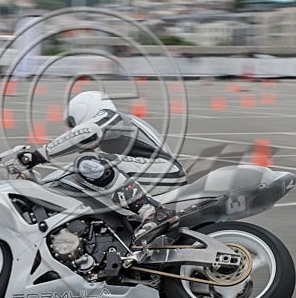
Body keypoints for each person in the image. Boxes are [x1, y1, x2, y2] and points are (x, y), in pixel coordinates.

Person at [19, 91, 186, 244]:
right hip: (155, 174)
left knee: (86, 163)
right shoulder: (113, 138)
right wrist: (36, 186)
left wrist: (37, 156)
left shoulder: (113, 117)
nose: (72, 129)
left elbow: (86, 132)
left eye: (72, 123)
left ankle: (154, 213)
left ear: (83, 110)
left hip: (166, 171)